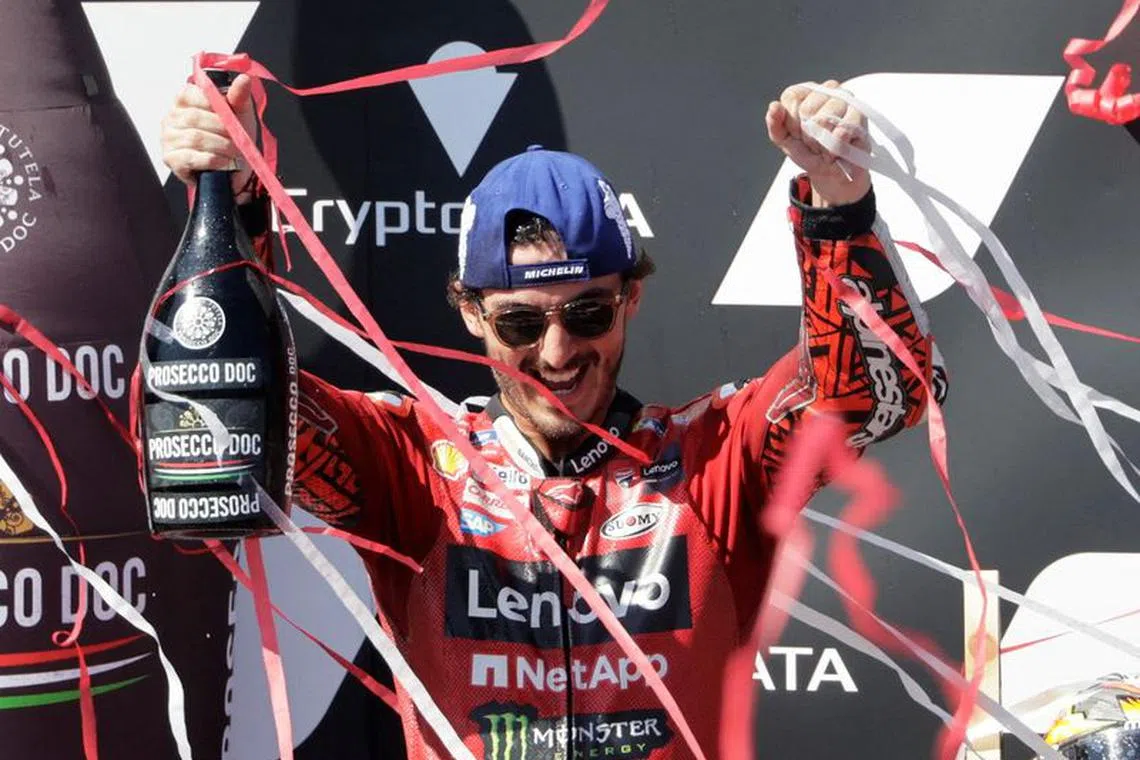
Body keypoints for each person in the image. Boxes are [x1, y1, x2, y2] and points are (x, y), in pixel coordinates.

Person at [161, 74, 945, 759]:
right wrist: (232, 211)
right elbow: (232, 410)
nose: (559, 351)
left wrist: (838, 212)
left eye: (590, 311)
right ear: (470, 315)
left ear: (632, 298)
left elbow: (880, 396)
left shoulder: (710, 460)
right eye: (521, 324)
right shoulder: (412, 466)